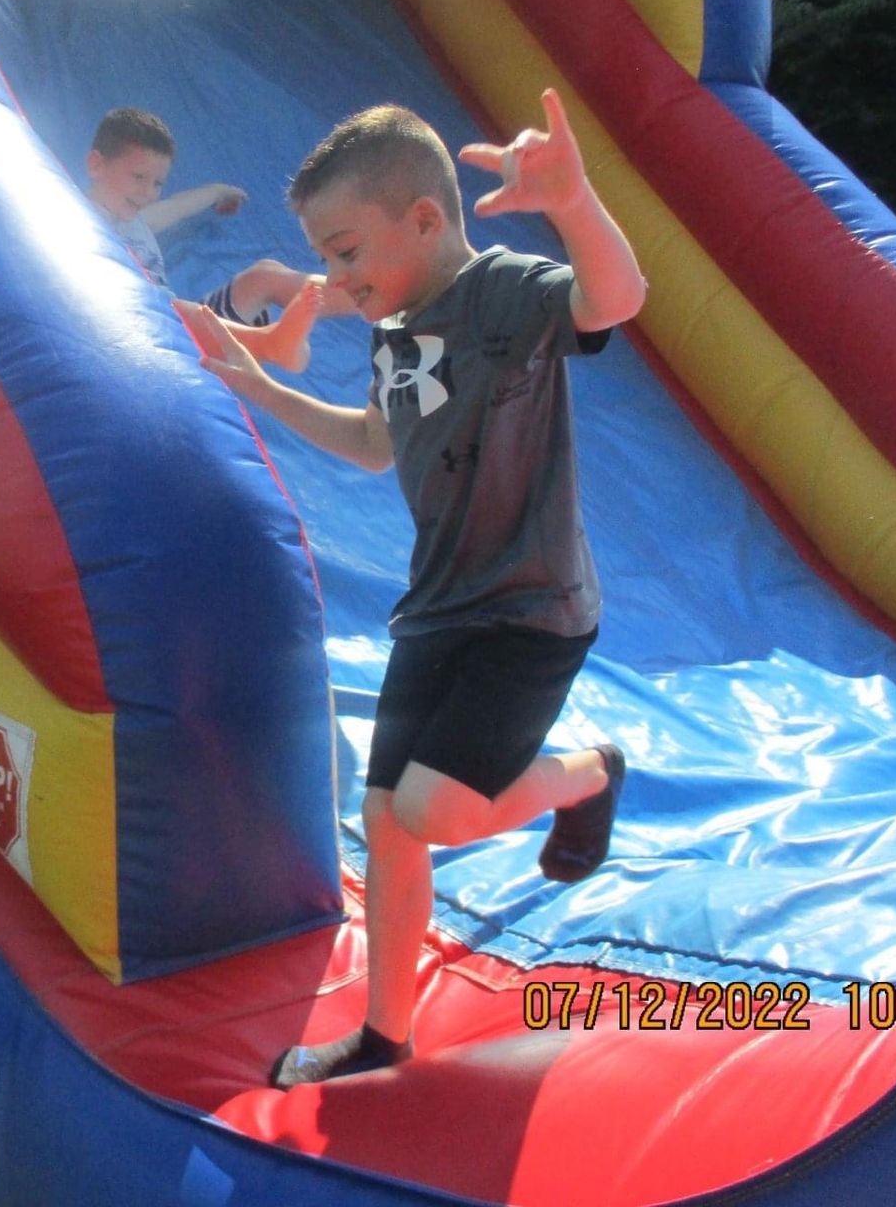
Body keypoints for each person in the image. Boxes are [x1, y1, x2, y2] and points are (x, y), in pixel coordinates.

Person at [175, 90, 646, 1087]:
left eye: (347, 253)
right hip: (437, 609)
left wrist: (571, 202)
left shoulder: (507, 294)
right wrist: (262, 389)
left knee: (428, 810)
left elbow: (612, 299)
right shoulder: (398, 329)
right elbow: (374, 442)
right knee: (388, 824)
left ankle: (590, 769)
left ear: (424, 220)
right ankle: (386, 1033)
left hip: (528, 610)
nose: (336, 279)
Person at [86, 107, 345, 372]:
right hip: (148, 336)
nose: (148, 193)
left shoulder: (136, 221)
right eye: (139, 177)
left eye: (157, 183)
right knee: (173, 307)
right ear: (96, 165)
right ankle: (269, 343)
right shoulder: (81, 221)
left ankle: (365, 287)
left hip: (185, 336)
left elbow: (176, 206)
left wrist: (217, 192)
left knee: (265, 275)